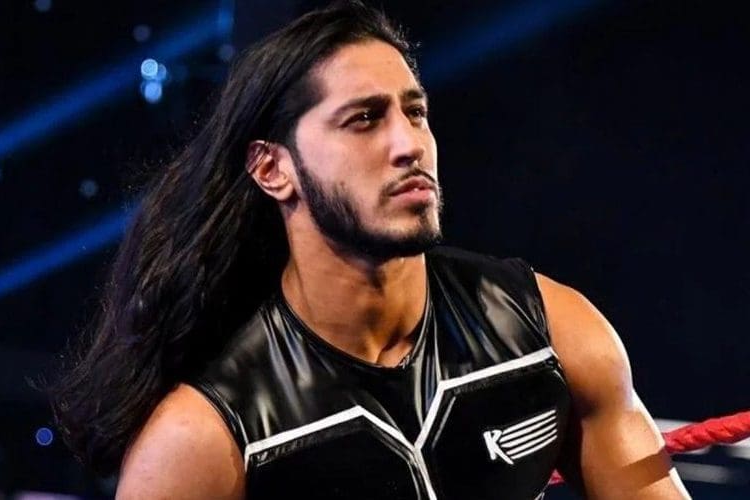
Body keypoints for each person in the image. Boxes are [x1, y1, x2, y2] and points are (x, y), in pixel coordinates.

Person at [48, 2, 691, 499]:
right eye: (364, 119)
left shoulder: (551, 331)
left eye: (415, 113)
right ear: (273, 169)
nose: (409, 144)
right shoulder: (205, 438)